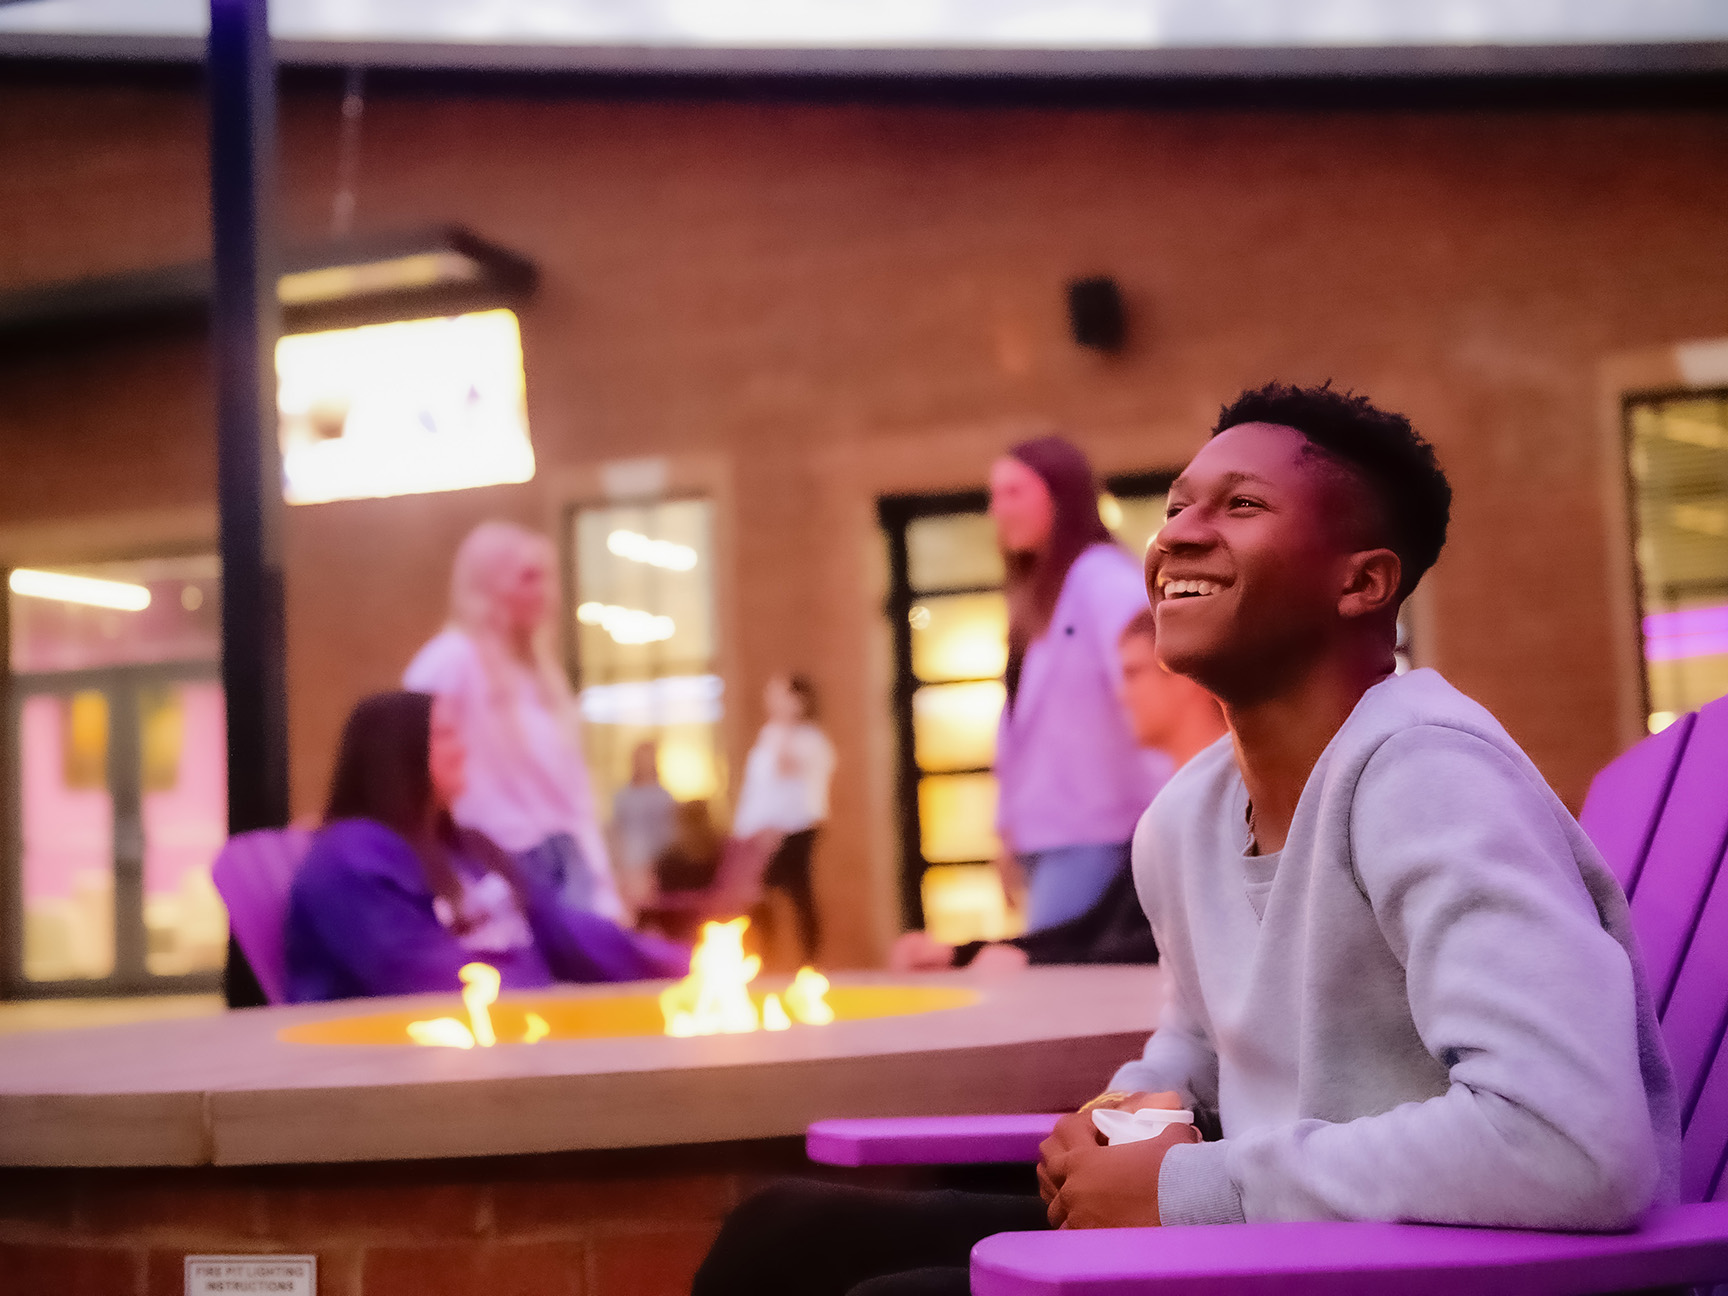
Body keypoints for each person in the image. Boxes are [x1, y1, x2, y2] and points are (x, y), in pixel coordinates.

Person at [692, 382, 1678, 1296]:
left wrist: (1189, 1192)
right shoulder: (1188, 817)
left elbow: (1572, 1143)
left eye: (1240, 507)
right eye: (1175, 507)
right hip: (1277, 1242)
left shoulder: (1427, 778)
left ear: (1362, 582)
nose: (1178, 538)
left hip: (1417, 1270)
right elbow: (1198, 1048)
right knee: (778, 1237)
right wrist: (1119, 1124)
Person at [284, 692, 686, 1003]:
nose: (462, 748)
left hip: (514, 1036)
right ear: (394, 756)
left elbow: (562, 929)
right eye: (443, 735)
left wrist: (683, 965)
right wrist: (553, 1009)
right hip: (413, 1068)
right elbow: (416, 976)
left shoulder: (465, 847)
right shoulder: (351, 861)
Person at [892, 606, 1225, 973]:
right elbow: (1095, 930)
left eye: (1133, 673)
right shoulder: (1171, 806)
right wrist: (959, 954)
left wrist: (1028, 961)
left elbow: (1158, 948)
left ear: (1187, 678)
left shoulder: (1224, 805)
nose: (1120, 694)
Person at [404, 521, 624, 920]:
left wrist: (602, 885)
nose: (544, 593)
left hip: (564, 866)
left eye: (546, 578)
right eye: (528, 578)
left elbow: (574, 800)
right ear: (489, 585)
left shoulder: (540, 678)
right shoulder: (452, 659)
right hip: (500, 867)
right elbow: (406, 750)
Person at [990, 436, 1165, 932]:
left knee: (1058, 991)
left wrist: (1173, 820)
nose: (997, 510)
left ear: (1060, 496)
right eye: (995, 495)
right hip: (1048, 837)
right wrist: (1007, 834)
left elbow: (1157, 686)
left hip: (1100, 834)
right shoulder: (1038, 600)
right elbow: (1018, 728)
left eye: (1014, 492)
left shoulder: (1102, 581)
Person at [732, 674, 836, 964]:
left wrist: (786, 725)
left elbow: (786, 771)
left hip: (794, 827)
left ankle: (808, 962)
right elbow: (759, 788)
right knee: (759, 894)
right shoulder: (768, 734)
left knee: (798, 892)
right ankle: (766, 957)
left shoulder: (809, 739)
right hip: (762, 829)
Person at [610, 740, 678, 909]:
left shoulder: (664, 798)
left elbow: (669, 835)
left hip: (658, 862)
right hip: (628, 862)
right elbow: (617, 830)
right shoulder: (623, 796)